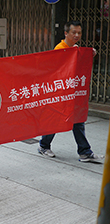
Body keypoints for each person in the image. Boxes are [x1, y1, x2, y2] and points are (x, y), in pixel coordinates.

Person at [38, 20, 103, 163]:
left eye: (79, 32)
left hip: (72, 93)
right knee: (56, 120)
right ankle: (44, 145)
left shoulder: (75, 49)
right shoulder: (60, 49)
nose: (77, 35)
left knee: (77, 121)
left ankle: (84, 151)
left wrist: (88, 54)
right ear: (66, 33)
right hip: (60, 93)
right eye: (74, 32)